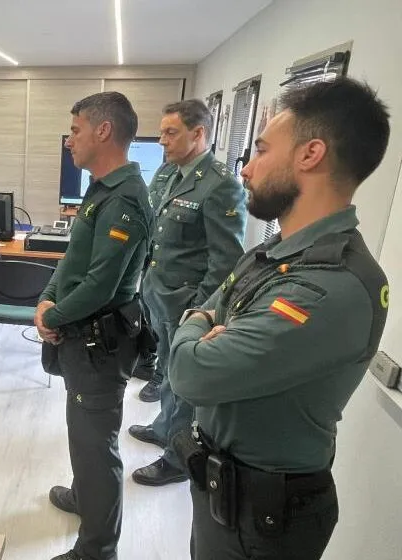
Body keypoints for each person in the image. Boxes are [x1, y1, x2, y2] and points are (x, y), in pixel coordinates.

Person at [169, 78, 390, 560]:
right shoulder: (274, 252)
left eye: (262, 150)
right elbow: (212, 311)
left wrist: (197, 320)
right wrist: (206, 320)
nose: (246, 168)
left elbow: (190, 372)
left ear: (310, 154)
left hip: (264, 520)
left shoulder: (332, 285)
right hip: (224, 492)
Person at [36, 92, 153, 560]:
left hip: (100, 342)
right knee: (82, 435)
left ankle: (97, 550)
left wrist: (51, 316)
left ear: (103, 131)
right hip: (80, 337)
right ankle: (85, 497)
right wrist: (48, 298)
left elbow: (101, 285)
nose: (69, 140)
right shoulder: (101, 187)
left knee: (96, 447)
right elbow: (74, 260)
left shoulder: (125, 197)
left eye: (75, 130)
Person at [129, 100, 247, 487]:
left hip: (186, 304)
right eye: (162, 132)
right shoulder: (169, 172)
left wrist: (199, 311)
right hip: (159, 293)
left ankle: (178, 459)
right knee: (166, 369)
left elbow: (226, 261)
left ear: (198, 134)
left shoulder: (221, 184)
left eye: (171, 132)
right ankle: (165, 428)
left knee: (183, 383)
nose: (161, 140)